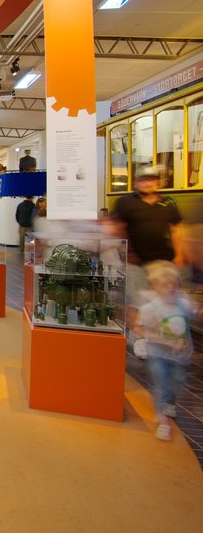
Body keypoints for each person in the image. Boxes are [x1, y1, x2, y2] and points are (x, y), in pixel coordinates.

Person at [112, 165, 183, 357]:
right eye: (143, 180)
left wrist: (178, 254)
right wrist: (125, 251)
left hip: (163, 260)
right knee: (136, 299)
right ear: (136, 182)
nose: (147, 183)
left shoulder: (168, 203)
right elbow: (118, 226)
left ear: (157, 182)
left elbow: (175, 229)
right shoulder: (125, 202)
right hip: (136, 261)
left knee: (164, 300)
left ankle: (162, 337)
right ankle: (139, 338)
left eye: (151, 180)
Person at [133, 261, 198, 441]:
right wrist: (170, 343)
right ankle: (162, 419)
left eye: (174, 284)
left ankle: (169, 403)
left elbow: (195, 313)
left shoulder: (183, 303)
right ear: (155, 287)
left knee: (177, 381)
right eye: (165, 284)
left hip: (180, 355)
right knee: (161, 382)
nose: (171, 288)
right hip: (158, 354)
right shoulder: (150, 308)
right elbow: (143, 331)